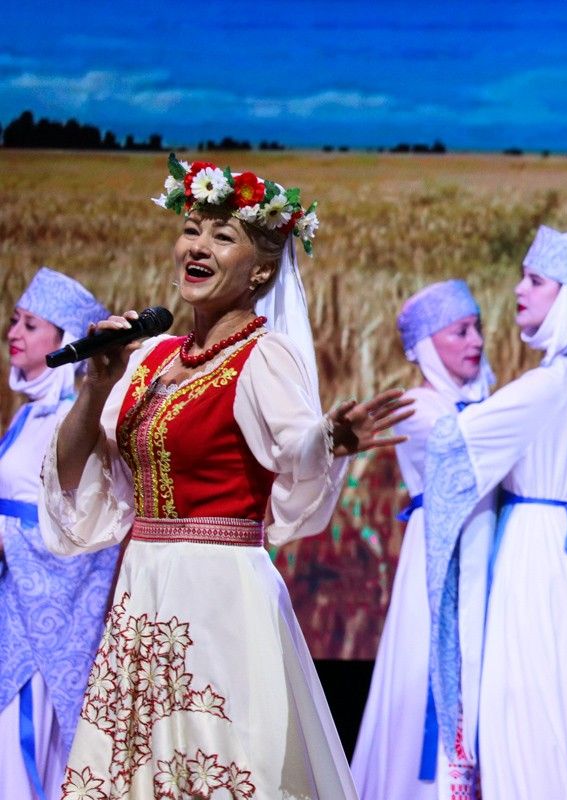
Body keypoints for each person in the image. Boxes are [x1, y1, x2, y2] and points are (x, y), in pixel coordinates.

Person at [38, 154, 412, 799]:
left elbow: (293, 442)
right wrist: (96, 385)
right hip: (144, 585)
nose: (198, 246)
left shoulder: (263, 355)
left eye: (221, 236)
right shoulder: (150, 357)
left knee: (217, 766)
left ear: (260, 269)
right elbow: (77, 473)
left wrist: (330, 438)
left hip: (218, 593)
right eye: (191, 230)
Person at [424, 225, 567, 799]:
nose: (519, 290)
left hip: (535, 553)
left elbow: (453, 445)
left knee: (528, 693)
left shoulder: (548, 384)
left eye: (536, 281)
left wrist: (444, 413)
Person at [353, 279, 493, 800]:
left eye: (477, 328)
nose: (475, 341)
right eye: (460, 331)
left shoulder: (480, 406)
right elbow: (469, 452)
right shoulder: (418, 407)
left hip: (482, 552)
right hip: (439, 558)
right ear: (427, 346)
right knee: (429, 667)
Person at [1, 269, 117, 799]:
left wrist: (8, 537)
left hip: (41, 626)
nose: (13, 333)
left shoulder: (74, 420)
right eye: (13, 321)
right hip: (12, 607)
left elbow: (84, 529)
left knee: (22, 743)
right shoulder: (28, 417)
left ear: (65, 340)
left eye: (30, 324)